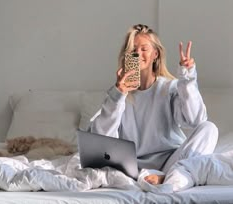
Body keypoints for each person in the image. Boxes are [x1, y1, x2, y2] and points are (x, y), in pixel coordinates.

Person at [90, 24, 218, 184]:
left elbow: (196, 120)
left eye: (144, 49)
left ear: (155, 54)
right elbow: (101, 137)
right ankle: (169, 178)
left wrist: (187, 79)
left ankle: (171, 176)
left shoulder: (169, 87)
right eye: (133, 49)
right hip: (133, 168)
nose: (138, 53)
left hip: (172, 163)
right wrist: (118, 94)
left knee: (209, 128)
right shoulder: (119, 93)